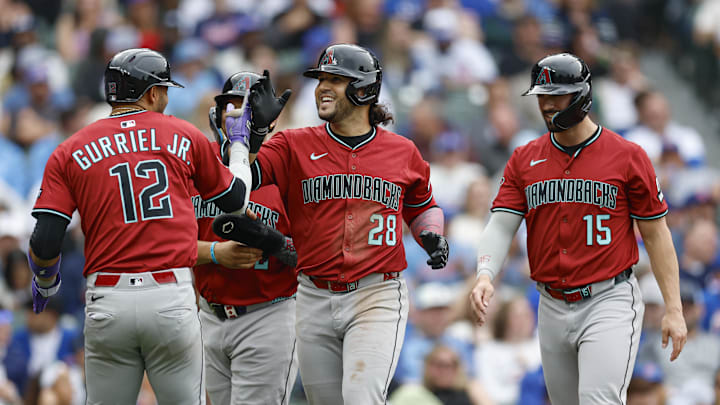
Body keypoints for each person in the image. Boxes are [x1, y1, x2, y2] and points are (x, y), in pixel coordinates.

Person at [216, 43, 450, 405]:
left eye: (336, 80)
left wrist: (430, 234)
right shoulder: (293, 144)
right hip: (312, 295)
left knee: (361, 398)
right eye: (322, 78)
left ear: (365, 89)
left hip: (376, 293)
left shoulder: (403, 151)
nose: (323, 86)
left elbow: (422, 205)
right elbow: (241, 182)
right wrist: (255, 134)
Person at [26, 48, 259, 404]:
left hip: (107, 299)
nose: (166, 98)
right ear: (151, 93)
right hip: (170, 295)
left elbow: (45, 241)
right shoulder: (184, 134)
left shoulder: (70, 149)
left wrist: (45, 283)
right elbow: (237, 200)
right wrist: (240, 145)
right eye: (164, 90)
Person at [469, 53, 688, 405]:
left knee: (597, 399)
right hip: (551, 302)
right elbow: (501, 222)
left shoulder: (628, 155)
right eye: (542, 95)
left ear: (582, 96)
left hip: (608, 298)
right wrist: (484, 273)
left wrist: (673, 308)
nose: (547, 104)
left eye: (557, 95)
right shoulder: (524, 158)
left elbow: (657, 234)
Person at [193, 71, 299, 405]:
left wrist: (274, 243)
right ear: (217, 113)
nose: (238, 114)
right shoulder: (195, 162)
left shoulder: (289, 166)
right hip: (208, 315)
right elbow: (162, 246)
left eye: (249, 106)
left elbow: (316, 254)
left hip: (268, 314)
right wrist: (213, 252)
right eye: (231, 105)